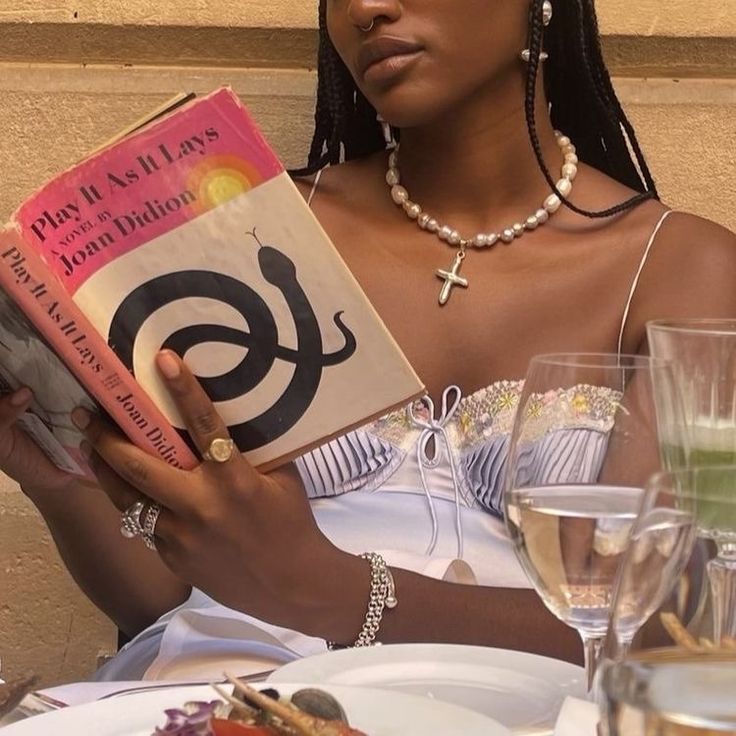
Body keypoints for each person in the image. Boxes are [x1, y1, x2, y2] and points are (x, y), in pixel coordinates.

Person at [2, 0, 735, 681]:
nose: (365, 8)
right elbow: (162, 601)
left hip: (516, 711)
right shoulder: (257, 237)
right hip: (223, 696)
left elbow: (662, 632)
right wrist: (58, 485)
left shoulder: (681, 271)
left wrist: (335, 593)